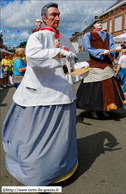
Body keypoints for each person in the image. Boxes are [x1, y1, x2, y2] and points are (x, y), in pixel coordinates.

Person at [2, 2, 88, 186]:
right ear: (44, 17)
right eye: (53, 14)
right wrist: (59, 52)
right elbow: (33, 57)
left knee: (61, 137)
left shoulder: (65, 38)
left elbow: (71, 61)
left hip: (63, 93)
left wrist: (84, 65)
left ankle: (60, 167)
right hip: (41, 93)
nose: (57, 17)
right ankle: (37, 173)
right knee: (35, 137)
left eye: (58, 14)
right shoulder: (37, 36)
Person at [76, 18, 126, 119]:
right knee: (95, 89)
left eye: (101, 23)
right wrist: (101, 51)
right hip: (94, 64)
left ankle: (105, 108)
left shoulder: (108, 35)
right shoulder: (88, 35)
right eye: (97, 23)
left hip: (107, 65)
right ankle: (94, 110)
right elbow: (88, 48)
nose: (100, 24)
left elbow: (112, 47)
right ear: (94, 25)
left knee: (108, 88)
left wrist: (116, 51)